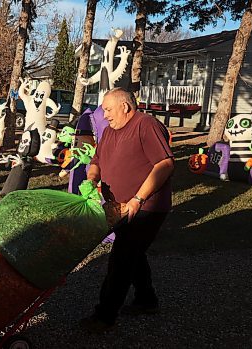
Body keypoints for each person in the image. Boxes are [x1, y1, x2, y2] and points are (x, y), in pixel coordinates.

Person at [81, 87, 174, 333]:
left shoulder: (146, 125)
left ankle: (104, 317)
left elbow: (164, 164)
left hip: (146, 207)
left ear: (125, 106)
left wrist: (138, 199)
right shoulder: (110, 131)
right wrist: (91, 179)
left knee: (121, 258)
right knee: (133, 253)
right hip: (120, 207)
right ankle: (147, 300)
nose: (106, 115)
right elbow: (97, 160)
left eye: (108, 109)